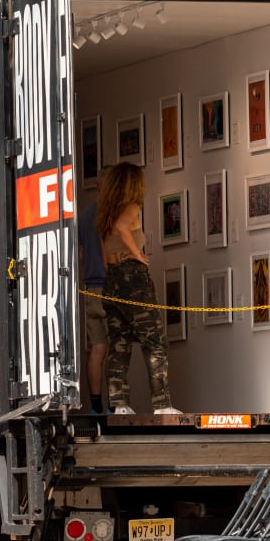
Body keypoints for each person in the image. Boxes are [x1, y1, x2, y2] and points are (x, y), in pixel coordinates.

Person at [95, 162, 180, 415]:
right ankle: (162, 405)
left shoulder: (105, 214)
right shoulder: (131, 207)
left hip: (112, 280)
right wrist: (137, 255)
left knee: (119, 344)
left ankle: (119, 404)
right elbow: (123, 229)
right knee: (155, 341)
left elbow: (103, 256)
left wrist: (118, 261)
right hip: (133, 279)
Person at [79, 182, 110, 411]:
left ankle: (96, 406)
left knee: (97, 348)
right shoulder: (111, 213)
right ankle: (119, 403)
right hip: (109, 286)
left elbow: (80, 252)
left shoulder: (84, 216)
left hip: (90, 287)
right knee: (118, 348)